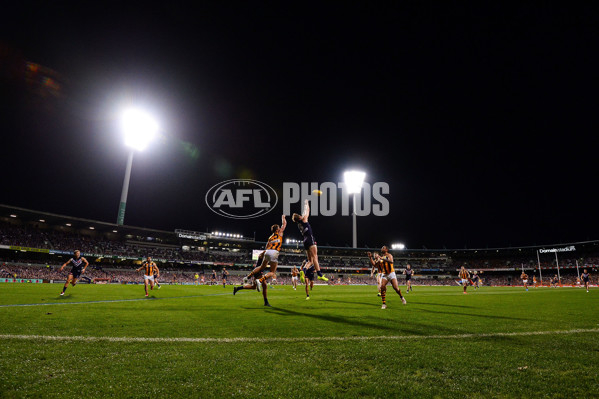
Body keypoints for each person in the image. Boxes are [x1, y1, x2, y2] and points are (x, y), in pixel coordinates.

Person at [244, 215, 287, 290]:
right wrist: (283, 218)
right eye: (278, 227)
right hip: (274, 252)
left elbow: (267, 247)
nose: (280, 228)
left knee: (261, 267)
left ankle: (247, 277)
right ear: (277, 229)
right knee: (272, 272)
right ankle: (260, 281)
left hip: (267, 252)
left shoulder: (270, 237)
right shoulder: (279, 233)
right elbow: (284, 224)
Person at [292, 199, 328, 282]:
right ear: (299, 217)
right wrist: (306, 203)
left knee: (310, 261)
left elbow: (304, 212)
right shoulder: (304, 219)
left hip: (305, 241)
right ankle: (319, 274)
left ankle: (303, 271)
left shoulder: (299, 224)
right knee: (315, 257)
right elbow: (307, 210)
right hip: (310, 239)